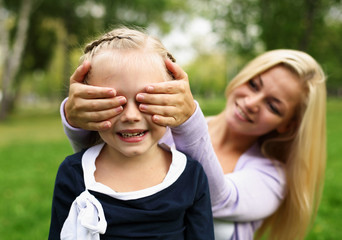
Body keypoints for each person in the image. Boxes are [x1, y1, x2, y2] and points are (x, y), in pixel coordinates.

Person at [61, 49, 327, 240]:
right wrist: (77, 119)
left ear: (287, 124)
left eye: (273, 105)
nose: (252, 102)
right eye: (253, 84)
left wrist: (189, 122)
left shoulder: (272, 178)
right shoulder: (164, 126)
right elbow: (105, 166)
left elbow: (212, 197)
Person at [49, 27, 214, 240]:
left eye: (145, 100)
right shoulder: (73, 173)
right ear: (87, 104)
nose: (131, 116)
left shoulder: (191, 176)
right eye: (114, 101)